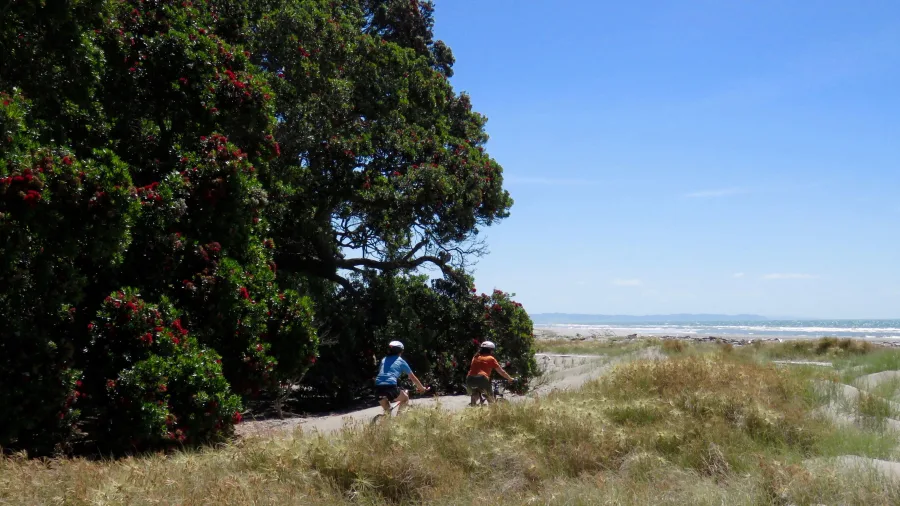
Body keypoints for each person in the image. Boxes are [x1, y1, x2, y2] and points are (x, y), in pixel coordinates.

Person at [374, 340, 427, 414]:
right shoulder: (400, 361)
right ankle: (399, 420)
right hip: (390, 386)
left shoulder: (384, 360)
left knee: (387, 411)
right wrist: (421, 388)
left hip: (378, 387)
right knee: (405, 399)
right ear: (400, 351)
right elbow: (412, 377)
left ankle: (384, 423)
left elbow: (383, 373)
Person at [466, 341, 514, 406]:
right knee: (490, 397)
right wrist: (510, 378)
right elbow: (501, 371)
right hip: (482, 378)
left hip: (470, 379)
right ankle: (492, 411)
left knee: (476, 392)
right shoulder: (490, 358)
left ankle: (473, 405)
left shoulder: (475, 357)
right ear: (490, 350)